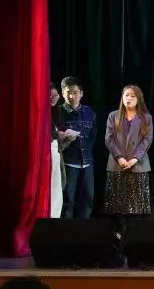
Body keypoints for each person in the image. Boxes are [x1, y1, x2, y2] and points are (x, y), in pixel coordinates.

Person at [103, 84, 154, 216]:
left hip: (138, 165)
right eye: (126, 95)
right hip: (117, 164)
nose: (129, 98)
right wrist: (119, 158)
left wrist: (135, 159)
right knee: (116, 203)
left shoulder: (146, 118)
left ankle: (135, 227)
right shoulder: (113, 116)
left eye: (132, 96)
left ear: (139, 99)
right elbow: (109, 139)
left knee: (136, 204)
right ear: (122, 98)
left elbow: (147, 140)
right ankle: (118, 227)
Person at [58, 76, 96, 218]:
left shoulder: (89, 113)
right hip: (68, 163)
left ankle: (83, 227)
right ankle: (68, 229)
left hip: (87, 163)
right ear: (63, 93)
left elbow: (93, 137)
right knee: (68, 201)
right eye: (68, 93)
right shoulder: (58, 112)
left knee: (88, 199)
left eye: (75, 92)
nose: (72, 96)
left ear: (81, 93)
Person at [47, 83, 64, 218]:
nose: (53, 98)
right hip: (47, 157)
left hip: (55, 157)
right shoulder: (41, 114)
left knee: (56, 192)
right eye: (50, 95)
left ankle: (54, 219)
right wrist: (58, 135)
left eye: (56, 95)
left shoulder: (54, 114)